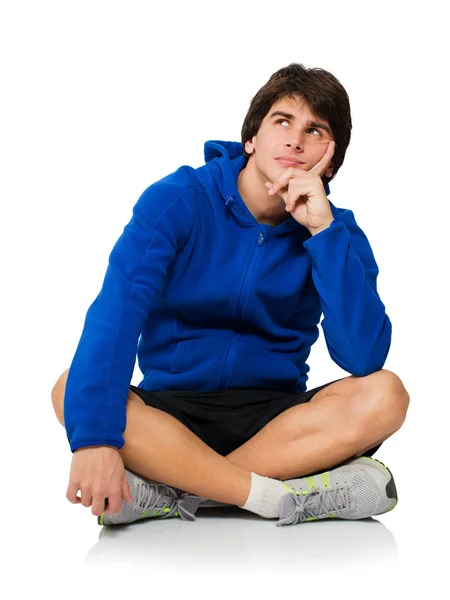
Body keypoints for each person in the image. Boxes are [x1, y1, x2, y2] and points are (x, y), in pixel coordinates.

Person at [51, 63, 410, 527]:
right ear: (251, 138)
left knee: (387, 395)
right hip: (171, 417)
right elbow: (117, 312)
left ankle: (171, 493)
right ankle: (277, 499)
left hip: (273, 421)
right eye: (282, 121)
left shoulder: (337, 232)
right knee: (68, 389)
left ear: (331, 159)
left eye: (314, 130)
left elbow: (363, 357)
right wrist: (96, 441)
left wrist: (322, 230)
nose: (295, 141)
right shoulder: (179, 200)